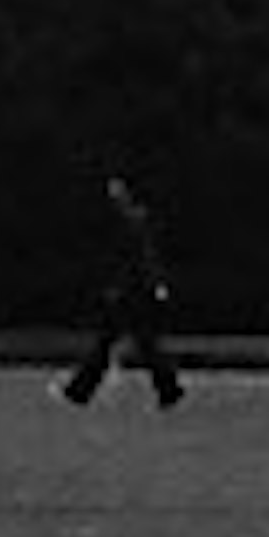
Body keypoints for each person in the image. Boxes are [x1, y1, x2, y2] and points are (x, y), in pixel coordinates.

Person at [59, 171, 187, 411]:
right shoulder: (130, 219)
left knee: (121, 344)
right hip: (134, 291)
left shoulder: (130, 220)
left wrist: (125, 287)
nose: (112, 193)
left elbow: (137, 259)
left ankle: (79, 392)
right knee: (131, 344)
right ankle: (169, 391)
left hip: (131, 294)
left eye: (117, 189)